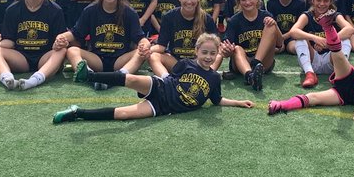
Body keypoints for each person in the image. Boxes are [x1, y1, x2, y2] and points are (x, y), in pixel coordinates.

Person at [54, 33, 253, 123]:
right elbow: (172, 79)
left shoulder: (214, 78)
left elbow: (217, 100)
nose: (208, 57)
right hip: (160, 87)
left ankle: (77, 113)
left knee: (124, 114)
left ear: (217, 54)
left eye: (212, 53)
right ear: (196, 51)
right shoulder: (185, 63)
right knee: (131, 79)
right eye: (204, 52)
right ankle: (89, 76)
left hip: (163, 107)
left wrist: (238, 102)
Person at [58, 0, 150, 86]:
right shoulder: (90, 10)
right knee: (72, 50)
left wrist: (145, 45)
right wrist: (61, 37)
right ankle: (88, 75)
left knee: (140, 53)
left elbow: (140, 38)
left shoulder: (129, 12)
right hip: (97, 60)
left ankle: (120, 75)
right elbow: (76, 33)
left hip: (120, 60)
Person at [0, 0, 68, 90]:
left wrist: (61, 42)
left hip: (45, 57)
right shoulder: (13, 10)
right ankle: (7, 79)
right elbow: (10, 41)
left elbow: (59, 39)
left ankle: (34, 80)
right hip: (21, 58)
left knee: (62, 51)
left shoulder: (55, 10)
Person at [288, 0, 354, 88]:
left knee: (346, 40)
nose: (322, 4)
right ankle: (310, 74)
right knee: (300, 40)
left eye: (326, 0)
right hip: (312, 60)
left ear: (331, 1)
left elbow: (350, 29)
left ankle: (340, 74)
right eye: (318, 0)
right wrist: (314, 38)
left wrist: (329, 42)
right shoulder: (307, 15)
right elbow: (293, 31)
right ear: (312, 0)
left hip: (332, 61)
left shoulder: (335, 15)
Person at [221, 0, 282, 90]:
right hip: (242, 62)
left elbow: (280, 44)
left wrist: (275, 25)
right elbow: (227, 48)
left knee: (270, 25)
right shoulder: (234, 21)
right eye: (243, 0)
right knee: (237, 48)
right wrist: (227, 49)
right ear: (239, 2)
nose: (247, 2)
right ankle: (250, 76)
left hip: (263, 62)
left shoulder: (266, 16)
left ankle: (255, 64)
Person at [149, 0, 219, 75]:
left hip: (199, 63)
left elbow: (215, 46)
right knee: (153, 56)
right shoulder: (168, 17)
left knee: (219, 55)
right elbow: (161, 46)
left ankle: (205, 75)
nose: (189, 1)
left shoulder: (207, 19)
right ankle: (167, 80)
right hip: (176, 63)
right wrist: (146, 50)